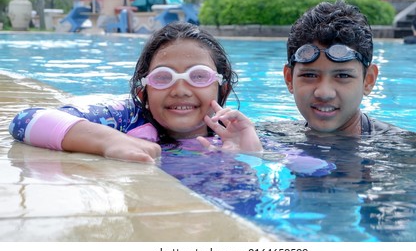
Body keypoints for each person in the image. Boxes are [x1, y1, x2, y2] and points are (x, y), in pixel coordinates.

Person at [9, 22, 263, 163]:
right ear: (143, 94)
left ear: (222, 89)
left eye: (198, 76)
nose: (181, 90)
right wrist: (110, 141)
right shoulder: (126, 118)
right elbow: (26, 120)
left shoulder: (239, 133)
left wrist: (252, 156)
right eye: (163, 78)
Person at [281, 0, 397, 137]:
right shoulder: (265, 139)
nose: (324, 93)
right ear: (289, 79)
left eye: (343, 76)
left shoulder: (407, 151)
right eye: (310, 75)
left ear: (368, 81)